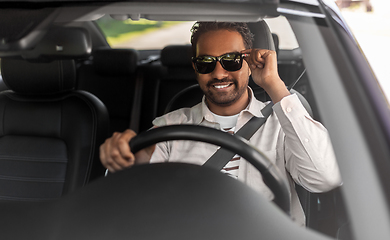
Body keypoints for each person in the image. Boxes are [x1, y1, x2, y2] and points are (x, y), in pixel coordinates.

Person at [100, 22, 342, 226]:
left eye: (231, 60)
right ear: (195, 68)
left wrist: (273, 84)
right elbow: (128, 195)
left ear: (249, 62)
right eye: (205, 62)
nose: (218, 73)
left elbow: (325, 178)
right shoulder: (169, 128)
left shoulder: (284, 124)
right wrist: (128, 158)